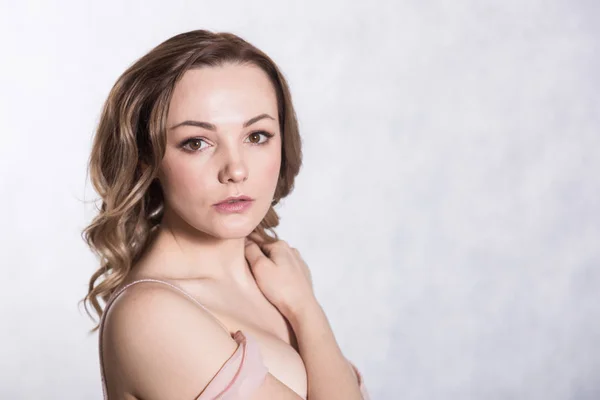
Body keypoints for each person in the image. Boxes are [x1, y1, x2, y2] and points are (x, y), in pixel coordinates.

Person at [80, 29, 370, 400]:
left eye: (257, 136)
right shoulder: (150, 315)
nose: (235, 170)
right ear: (146, 160)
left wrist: (302, 305)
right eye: (196, 142)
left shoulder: (272, 279)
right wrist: (307, 312)